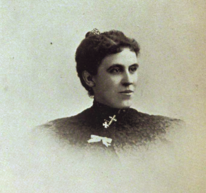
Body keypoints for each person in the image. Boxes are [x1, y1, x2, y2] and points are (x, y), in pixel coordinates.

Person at [38, 29, 184, 156]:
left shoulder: (170, 133)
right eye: (115, 70)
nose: (128, 80)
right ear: (89, 78)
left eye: (132, 69)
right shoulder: (53, 137)